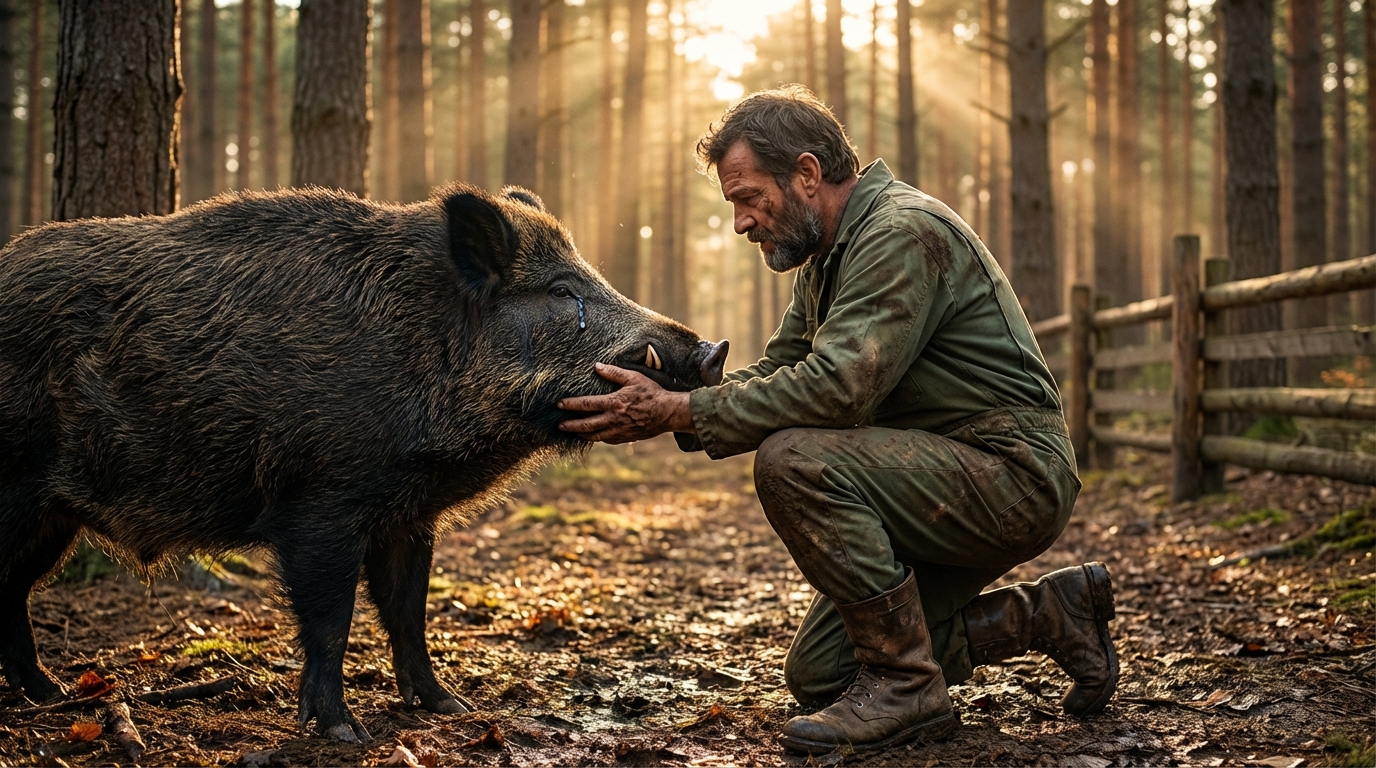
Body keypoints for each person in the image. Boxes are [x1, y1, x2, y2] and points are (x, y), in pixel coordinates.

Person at [557, 85, 1117, 754]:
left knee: (794, 459)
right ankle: (1050, 617)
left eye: (747, 198)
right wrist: (673, 402)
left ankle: (908, 686)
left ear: (807, 174)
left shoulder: (899, 232)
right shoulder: (827, 258)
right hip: (935, 478)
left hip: (1012, 475)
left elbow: (838, 389)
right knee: (822, 672)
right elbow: (781, 370)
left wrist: (681, 410)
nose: (741, 222)